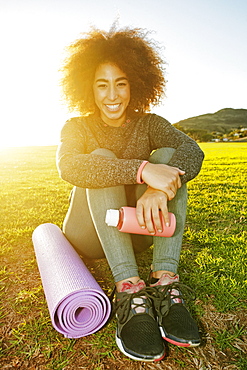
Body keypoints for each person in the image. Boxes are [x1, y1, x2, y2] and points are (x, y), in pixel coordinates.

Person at [56, 25, 204, 362]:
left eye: (121, 83)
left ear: (135, 84)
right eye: (102, 84)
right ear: (88, 88)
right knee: (101, 159)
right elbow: (69, 167)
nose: (112, 95)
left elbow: (191, 151)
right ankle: (128, 290)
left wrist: (156, 185)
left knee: (168, 158)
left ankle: (165, 282)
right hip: (90, 234)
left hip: (140, 229)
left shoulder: (150, 123)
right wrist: (139, 170)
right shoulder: (76, 126)